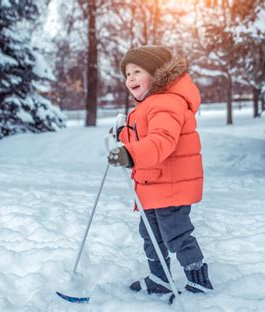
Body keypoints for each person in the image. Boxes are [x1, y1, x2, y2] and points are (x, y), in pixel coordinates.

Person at [107, 45, 213, 295]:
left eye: (137, 71)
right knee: (151, 235)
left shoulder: (166, 103)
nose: (130, 78)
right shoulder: (150, 104)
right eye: (127, 74)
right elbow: (144, 136)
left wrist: (129, 154)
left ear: (157, 74)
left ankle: (199, 282)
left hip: (171, 186)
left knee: (177, 235)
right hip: (153, 185)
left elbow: (161, 141)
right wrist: (122, 133)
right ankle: (160, 278)